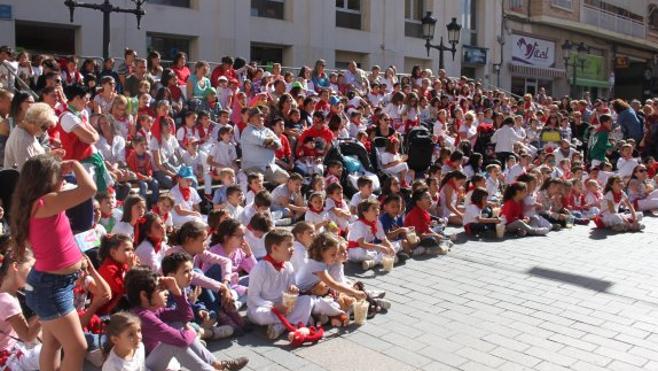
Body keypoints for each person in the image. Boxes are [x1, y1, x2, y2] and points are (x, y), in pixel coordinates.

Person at [10, 154, 97, 370]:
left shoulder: (35, 204)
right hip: (51, 287)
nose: (62, 177)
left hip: (50, 284)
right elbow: (90, 189)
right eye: (58, 174)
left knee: (52, 343)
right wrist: (75, 164)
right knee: (77, 347)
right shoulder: (45, 202)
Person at [125, 267, 248, 371]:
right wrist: (190, 332)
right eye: (161, 289)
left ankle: (219, 365)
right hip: (145, 366)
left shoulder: (153, 309)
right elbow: (180, 340)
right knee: (174, 342)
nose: (167, 292)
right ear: (144, 295)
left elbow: (186, 316)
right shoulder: (142, 316)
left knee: (178, 326)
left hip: (161, 358)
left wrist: (177, 292)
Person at [247, 229, 314, 339]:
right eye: (289, 245)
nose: (292, 249)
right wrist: (274, 307)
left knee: (307, 300)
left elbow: (293, 288)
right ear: (274, 248)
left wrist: (293, 290)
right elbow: (253, 297)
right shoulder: (260, 268)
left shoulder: (288, 265)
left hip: (284, 306)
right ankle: (296, 320)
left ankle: (280, 326)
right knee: (261, 316)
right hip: (266, 308)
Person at [0, 248, 41, 371]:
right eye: (31, 268)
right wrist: (46, 310)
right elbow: (27, 336)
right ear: (15, 266)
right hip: (8, 359)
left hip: (14, 350)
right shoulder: (8, 301)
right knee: (53, 348)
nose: (34, 274)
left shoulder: (8, 294)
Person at [240, 107, 288, 185]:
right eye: (258, 116)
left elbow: (278, 145)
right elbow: (265, 142)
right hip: (253, 167)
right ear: (251, 119)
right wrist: (268, 143)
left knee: (288, 179)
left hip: (270, 167)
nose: (261, 118)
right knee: (258, 181)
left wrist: (267, 143)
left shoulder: (267, 130)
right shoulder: (248, 130)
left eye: (262, 116)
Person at [3, 102, 55, 170]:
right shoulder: (22, 139)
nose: (45, 131)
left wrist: (51, 154)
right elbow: (28, 171)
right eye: (44, 127)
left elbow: (36, 158)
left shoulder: (28, 132)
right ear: (33, 123)